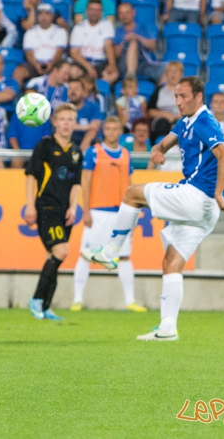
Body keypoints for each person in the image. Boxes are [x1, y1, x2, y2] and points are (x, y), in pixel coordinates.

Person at [83, 76, 224, 341]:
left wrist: (220, 192)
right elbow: (167, 140)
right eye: (176, 96)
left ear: (199, 97)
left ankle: (110, 252)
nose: (178, 101)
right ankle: (167, 328)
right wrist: (158, 149)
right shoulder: (185, 121)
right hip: (202, 210)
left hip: (197, 196)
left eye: (183, 96)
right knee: (171, 262)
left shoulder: (204, 121)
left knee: (132, 193)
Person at [72, 116, 146, 312]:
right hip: (98, 211)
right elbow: (85, 182)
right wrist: (86, 210)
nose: (112, 132)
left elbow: (129, 184)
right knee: (86, 254)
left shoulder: (125, 154)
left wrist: (134, 210)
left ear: (121, 131)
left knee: (123, 256)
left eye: (115, 129)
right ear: (104, 131)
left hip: (121, 212)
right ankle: (77, 299)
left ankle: (130, 301)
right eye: (108, 129)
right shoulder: (93, 152)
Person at [25, 104, 82, 321]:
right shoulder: (45, 146)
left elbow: (76, 184)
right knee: (61, 251)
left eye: (70, 119)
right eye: (63, 119)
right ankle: (37, 299)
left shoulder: (76, 152)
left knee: (54, 256)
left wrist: (73, 206)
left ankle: (46, 307)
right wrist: (30, 205)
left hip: (64, 211)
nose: (66, 123)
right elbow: (31, 177)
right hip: (46, 207)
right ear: (55, 122)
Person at [15, 4, 69, 83]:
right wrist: (36, 65)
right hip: (35, 63)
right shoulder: (30, 32)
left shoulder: (60, 31)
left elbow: (59, 51)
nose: (43, 17)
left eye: (47, 14)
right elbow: (29, 53)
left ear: (52, 16)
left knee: (64, 71)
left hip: (55, 63)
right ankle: (17, 94)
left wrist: (51, 64)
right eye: (40, 14)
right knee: (19, 72)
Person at [69, 0, 118, 83]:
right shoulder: (79, 27)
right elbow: (74, 52)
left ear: (102, 12)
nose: (94, 13)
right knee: (73, 72)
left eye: (97, 10)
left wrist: (112, 64)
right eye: (92, 9)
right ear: (87, 11)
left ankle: (99, 92)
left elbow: (108, 46)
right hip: (84, 62)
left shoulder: (107, 25)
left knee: (113, 74)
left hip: (101, 62)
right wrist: (89, 67)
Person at [114, 2, 165, 84]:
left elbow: (153, 46)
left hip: (143, 65)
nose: (124, 16)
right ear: (118, 15)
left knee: (168, 68)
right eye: (121, 13)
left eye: (127, 12)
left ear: (133, 13)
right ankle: (131, 77)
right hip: (124, 65)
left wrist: (138, 37)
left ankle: (158, 93)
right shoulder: (117, 31)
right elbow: (115, 54)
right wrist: (124, 42)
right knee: (133, 42)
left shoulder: (143, 28)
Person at [147, 61, 183, 141]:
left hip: (181, 118)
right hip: (162, 120)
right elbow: (150, 111)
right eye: (170, 71)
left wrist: (176, 117)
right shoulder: (159, 91)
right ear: (166, 74)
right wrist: (165, 114)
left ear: (181, 74)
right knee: (162, 124)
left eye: (176, 71)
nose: (173, 74)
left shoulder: (186, 92)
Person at [68, 78, 104, 150]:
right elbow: (66, 126)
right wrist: (87, 126)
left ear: (83, 92)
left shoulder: (93, 106)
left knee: (92, 133)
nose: (73, 91)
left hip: (90, 140)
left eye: (76, 89)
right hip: (70, 138)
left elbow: (95, 126)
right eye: (70, 88)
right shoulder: (64, 107)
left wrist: (76, 126)